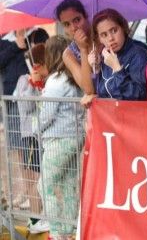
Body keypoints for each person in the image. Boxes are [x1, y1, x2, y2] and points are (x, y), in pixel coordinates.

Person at [37, 36, 85, 239]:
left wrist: (35, 127)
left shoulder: (56, 80)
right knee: (68, 185)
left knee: (45, 185)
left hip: (59, 140)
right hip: (76, 137)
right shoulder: (74, 77)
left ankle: (57, 231)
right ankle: (69, 229)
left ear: (50, 55)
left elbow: (46, 115)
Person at [0, 28, 48, 208]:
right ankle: (27, 192)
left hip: (36, 97)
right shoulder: (6, 40)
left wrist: (29, 47)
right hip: (13, 100)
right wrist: (16, 46)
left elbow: (45, 54)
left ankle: (37, 193)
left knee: (36, 149)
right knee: (20, 148)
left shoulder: (37, 34)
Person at [13, 43, 49, 234]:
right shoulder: (23, 80)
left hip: (42, 136)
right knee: (33, 180)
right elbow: (25, 107)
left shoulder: (48, 80)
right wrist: (32, 85)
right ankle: (35, 220)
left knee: (40, 179)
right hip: (30, 136)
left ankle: (38, 216)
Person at [82, 9, 147, 104]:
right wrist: (96, 69)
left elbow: (138, 96)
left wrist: (117, 69)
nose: (110, 38)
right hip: (110, 117)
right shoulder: (105, 56)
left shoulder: (139, 54)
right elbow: (103, 92)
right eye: (104, 35)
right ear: (99, 39)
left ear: (123, 28)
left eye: (114, 30)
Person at [56, 0, 94, 94]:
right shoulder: (68, 54)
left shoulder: (102, 37)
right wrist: (83, 49)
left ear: (85, 16)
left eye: (77, 20)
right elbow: (88, 89)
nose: (73, 28)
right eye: (67, 24)